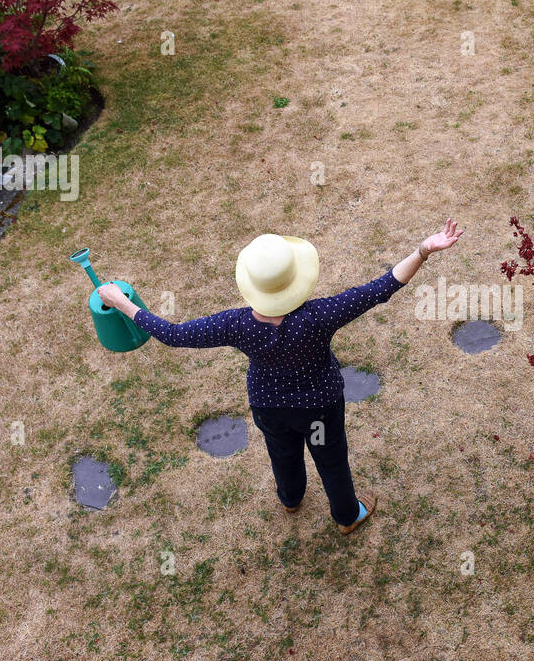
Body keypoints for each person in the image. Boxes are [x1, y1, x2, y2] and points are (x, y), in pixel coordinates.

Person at [96, 220, 463, 534]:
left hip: (269, 408)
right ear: (296, 278)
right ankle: (347, 516)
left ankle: (290, 500)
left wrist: (123, 303)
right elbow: (381, 288)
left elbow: (173, 335)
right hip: (318, 410)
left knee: (282, 452)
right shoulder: (320, 315)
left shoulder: (235, 324)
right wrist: (423, 251)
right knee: (330, 459)